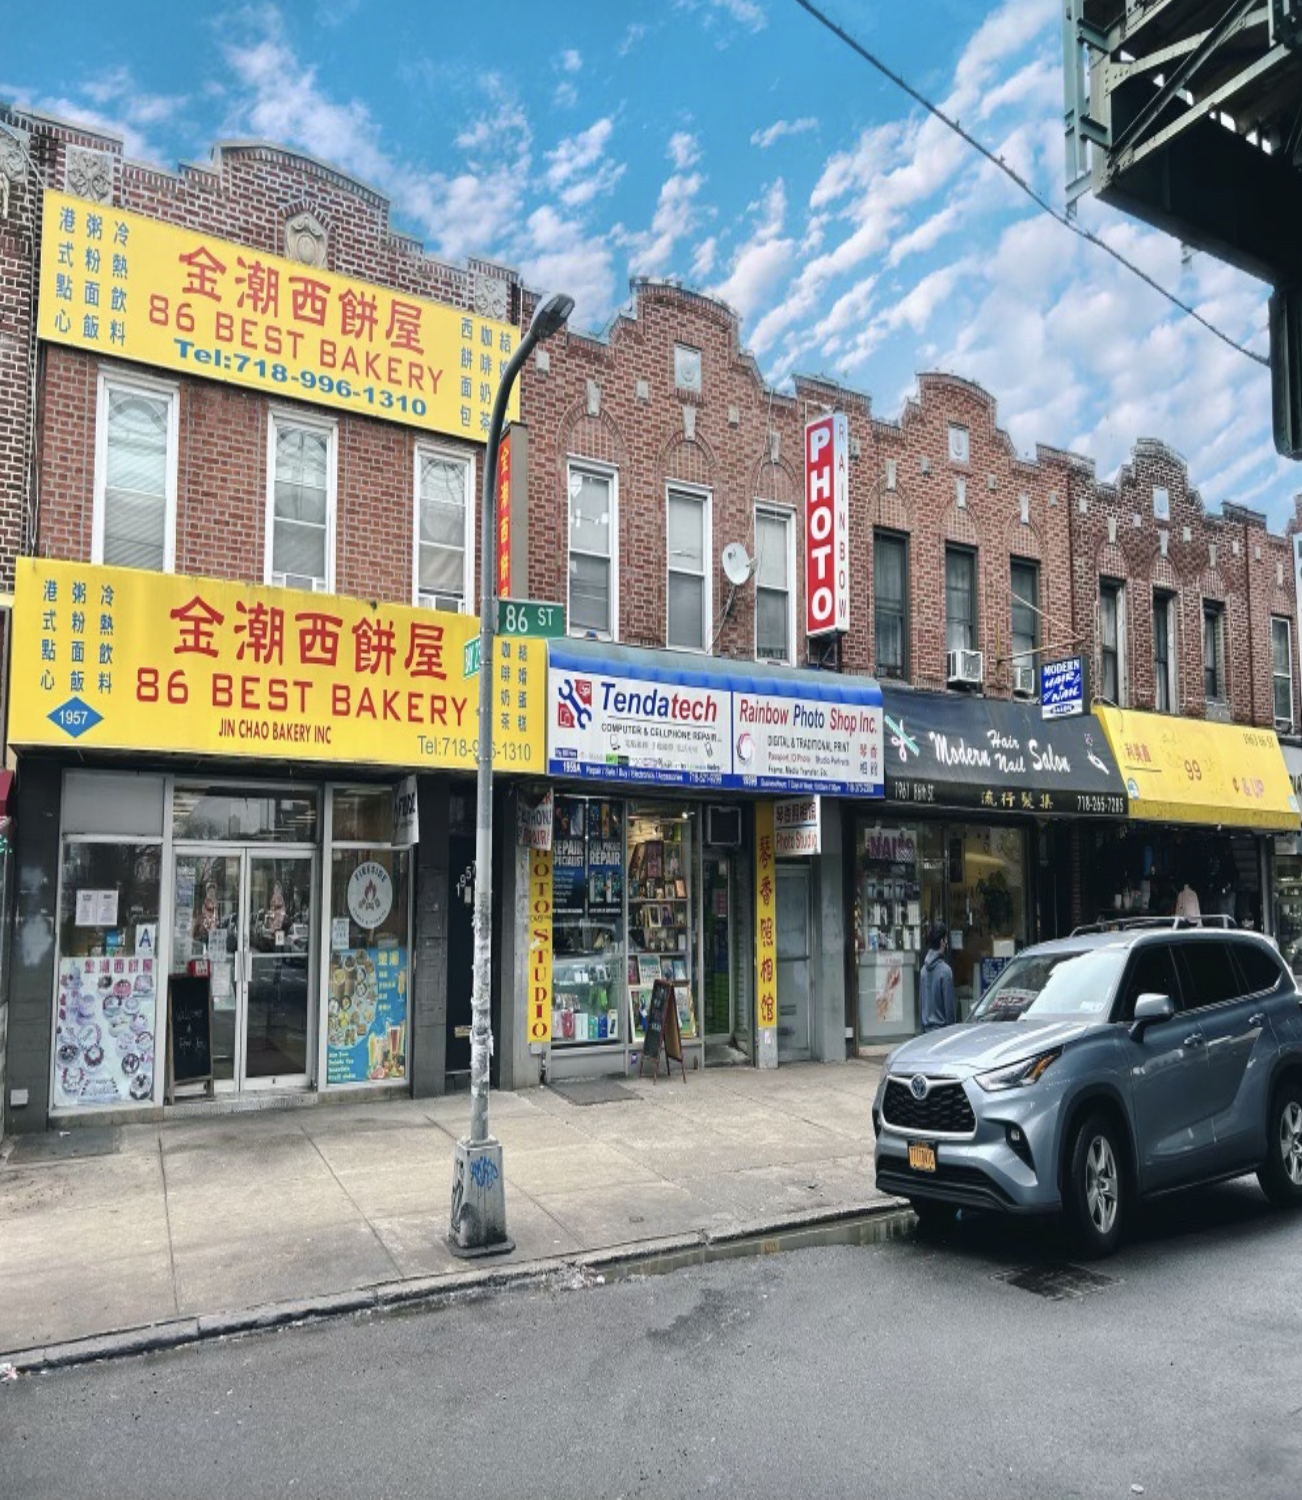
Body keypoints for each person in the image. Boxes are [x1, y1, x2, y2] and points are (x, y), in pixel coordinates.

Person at [919, 921, 957, 1032]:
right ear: (942, 942)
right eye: (946, 940)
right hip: (942, 1032)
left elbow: (921, 1006)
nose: (946, 943)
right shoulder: (946, 972)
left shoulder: (923, 971)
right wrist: (952, 1032)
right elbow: (949, 1009)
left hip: (926, 1032)